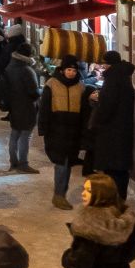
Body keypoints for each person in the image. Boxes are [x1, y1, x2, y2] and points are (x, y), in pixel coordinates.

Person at [35, 56, 86, 211]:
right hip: (56, 130)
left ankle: (61, 193)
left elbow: (84, 111)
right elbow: (44, 108)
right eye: (69, 69)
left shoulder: (81, 87)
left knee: (68, 163)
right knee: (61, 164)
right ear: (63, 70)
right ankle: (59, 195)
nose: (71, 73)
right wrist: (43, 128)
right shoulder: (52, 84)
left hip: (74, 131)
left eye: (74, 70)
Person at [85, 52, 135, 200]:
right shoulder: (123, 77)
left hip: (112, 132)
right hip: (122, 131)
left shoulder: (113, 79)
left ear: (109, 64)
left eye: (104, 63)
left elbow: (107, 107)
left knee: (113, 169)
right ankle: (119, 198)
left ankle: (115, 201)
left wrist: (96, 119)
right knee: (120, 169)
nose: (102, 66)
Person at [0, 36, 41, 174]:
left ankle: (14, 162)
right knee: (25, 135)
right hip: (27, 107)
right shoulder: (27, 70)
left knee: (15, 134)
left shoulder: (10, 66)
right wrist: (41, 91)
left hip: (13, 106)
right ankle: (23, 163)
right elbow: (34, 92)